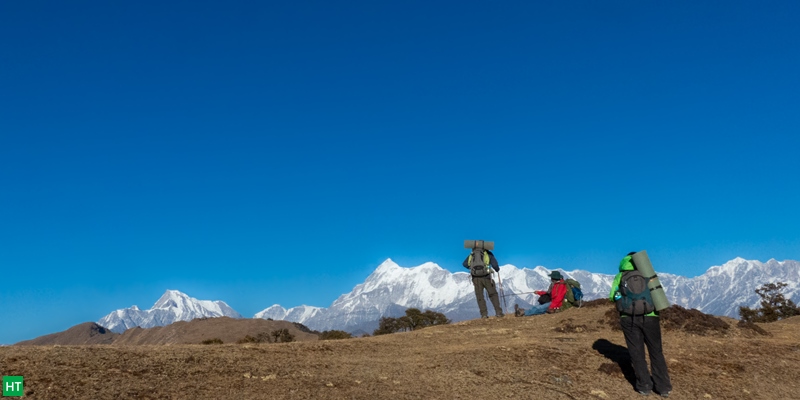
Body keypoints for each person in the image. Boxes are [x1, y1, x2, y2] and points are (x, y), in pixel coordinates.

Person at [610, 252, 672, 398]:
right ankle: (663, 387)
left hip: (628, 318)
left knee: (636, 353)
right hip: (651, 317)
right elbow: (657, 294)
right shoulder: (648, 272)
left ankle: (644, 386)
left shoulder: (621, 276)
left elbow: (612, 296)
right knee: (656, 352)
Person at [462, 245, 504, 318]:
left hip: (476, 279)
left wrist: (473, 268)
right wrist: (497, 269)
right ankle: (498, 312)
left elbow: (465, 264)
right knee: (493, 294)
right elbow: (495, 265)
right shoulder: (488, 253)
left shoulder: (472, 254)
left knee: (480, 296)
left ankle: (484, 315)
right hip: (486, 277)